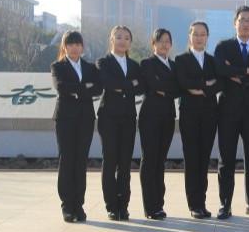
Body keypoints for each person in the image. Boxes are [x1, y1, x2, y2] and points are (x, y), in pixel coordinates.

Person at [213, 6, 249, 220]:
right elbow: (220, 69)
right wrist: (246, 71)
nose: (245, 23)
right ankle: (225, 204)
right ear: (234, 23)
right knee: (226, 159)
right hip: (228, 111)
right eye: (242, 19)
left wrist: (234, 72)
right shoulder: (223, 46)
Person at [50, 30, 102, 222]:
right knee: (67, 160)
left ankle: (78, 205)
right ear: (64, 47)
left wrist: (77, 90)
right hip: (65, 119)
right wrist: (84, 88)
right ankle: (67, 206)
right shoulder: (58, 66)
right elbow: (61, 87)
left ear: (82, 47)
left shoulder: (90, 67)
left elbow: (98, 88)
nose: (74, 47)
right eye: (70, 44)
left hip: (85, 119)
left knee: (81, 161)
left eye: (78, 44)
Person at [96, 25, 144, 221]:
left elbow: (140, 87)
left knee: (125, 163)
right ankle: (111, 206)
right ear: (111, 40)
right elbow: (108, 83)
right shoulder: (103, 62)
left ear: (130, 42)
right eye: (118, 37)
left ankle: (123, 206)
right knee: (110, 161)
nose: (122, 41)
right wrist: (129, 84)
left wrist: (122, 86)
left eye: (126, 38)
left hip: (128, 118)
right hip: (108, 118)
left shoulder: (134, 65)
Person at [175, 21, 222, 218]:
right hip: (189, 115)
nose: (199, 38)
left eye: (203, 34)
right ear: (189, 36)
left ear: (207, 37)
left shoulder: (213, 60)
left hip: (210, 115)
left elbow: (219, 83)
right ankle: (194, 204)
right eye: (195, 34)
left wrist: (199, 88)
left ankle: (202, 202)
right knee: (192, 158)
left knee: (204, 159)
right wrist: (206, 84)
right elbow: (183, 82)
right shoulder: (181, 59)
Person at [138, 28, 179, 219]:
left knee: (160, 160)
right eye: (160, 41)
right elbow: (154, 85)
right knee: (150, 159)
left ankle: (159, 204)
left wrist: (164, 89)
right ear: (153, 44)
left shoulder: (174, 65)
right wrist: (165, 88)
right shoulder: (147, 63)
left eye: (167, 41)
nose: (164, 44)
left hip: (168, 116)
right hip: (150, 117)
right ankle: (150, 206)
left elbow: (178, 89)